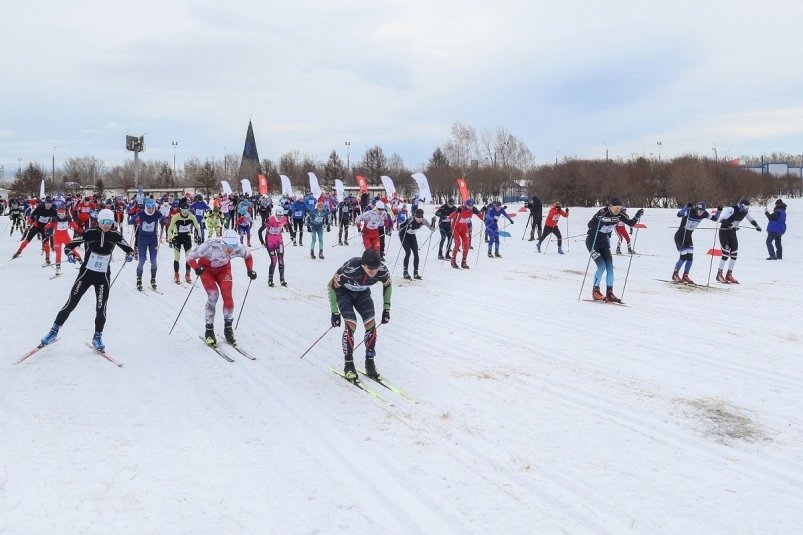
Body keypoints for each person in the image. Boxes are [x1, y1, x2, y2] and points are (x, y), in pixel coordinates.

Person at [39, 209, 135, 351]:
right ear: (99, 221)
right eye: (104, 222)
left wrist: (130, 254)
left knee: (101, 308)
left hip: (102, 277)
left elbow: (129, 248)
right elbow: (70, 245)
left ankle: (97, 337)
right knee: (71, 302)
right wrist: (69, 253)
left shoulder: (115, 235)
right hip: (86, 274)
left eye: (109, 222)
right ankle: (53, 331)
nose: (106, 225)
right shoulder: (90, 232)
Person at [327, 249, 392, 380]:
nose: (373, 271)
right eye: (370, 268)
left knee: (371, 326)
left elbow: (388, 284)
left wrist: (386, 308)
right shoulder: (351, 268)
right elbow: (331, 286)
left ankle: (370, 362)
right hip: (344, 293)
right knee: (351, 325)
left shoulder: (382, 270)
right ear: (363, 265)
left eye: (376, 267)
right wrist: (334, 312)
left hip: (363, 294)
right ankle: (349, 364)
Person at [187, 229, 256, 346]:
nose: (230, 249)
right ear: (222, 243)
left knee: (227, 296)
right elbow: (189, 257)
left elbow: (248, 256)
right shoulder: (210, 245)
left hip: (224, 270)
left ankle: (228, 328)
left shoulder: (237, 247)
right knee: (213, 295)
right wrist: (196, 268)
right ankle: (209, 330)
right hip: (207, 270)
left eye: (233, 246)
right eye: (227, 246)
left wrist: (250, 270)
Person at [585, 197, 643, 302]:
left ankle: (609, 293)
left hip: (604, 242)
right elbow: (589, 225)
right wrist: (598, 218)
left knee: (610, 267)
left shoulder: (620, 214)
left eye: (619, 208)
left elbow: (630, 223)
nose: (617, 210)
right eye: (616, 208)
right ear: (610, 206)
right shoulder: (602, 212)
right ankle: (595, 291)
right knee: (601, 266)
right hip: (592, 242)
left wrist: (637, 216)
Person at [716, 198, 761, 283]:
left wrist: (756, 226)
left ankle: (729, 274)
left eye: (747, 208)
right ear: (740, 205)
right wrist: (731, 225)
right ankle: (719, 274)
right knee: (725, 254)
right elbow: (721, 220)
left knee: (734, 255)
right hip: (724, 232)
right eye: (745, 207)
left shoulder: (745, 212)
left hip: (732, 233)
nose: (746, 210)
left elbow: (751, 219)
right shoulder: (732, 209)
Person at [672, 202, 718, 284]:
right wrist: (686, 207)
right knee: (683, 257)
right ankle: (675, 274)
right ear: (696, 209)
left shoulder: (704, 214)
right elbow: (679, 214)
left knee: (690, 258)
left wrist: (719, 211)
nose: (701, 213)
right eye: (699, 211)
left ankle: (685, 275)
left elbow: (715, 218)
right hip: (680, 236)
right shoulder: (689, 211)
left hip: (688, 237)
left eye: (702, 211)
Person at [166, 200, 202, 284]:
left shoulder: (192, 217)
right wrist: (172, 239)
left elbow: (198, 228)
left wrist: (199, 237)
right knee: (177, 257)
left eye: (186, 210)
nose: (185, 212)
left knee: (188, 257)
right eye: (183, 210)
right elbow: (169, 230)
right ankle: (176, 274)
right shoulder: (176, 217)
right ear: (180, 210)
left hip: (187, 238)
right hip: (177, 238)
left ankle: (187, 274)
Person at [44, 201, 83, 276]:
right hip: (57, 238)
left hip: (66, 238)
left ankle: (82, 263)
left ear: (65, 213)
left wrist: (82, 232)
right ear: (57, 213)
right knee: (58, 253)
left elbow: (75, 226)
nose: (61, 216)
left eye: (63, 214)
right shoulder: (54, 219)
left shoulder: (68, 218)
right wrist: (46, 231)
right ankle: (58, 268)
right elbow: (47, 226)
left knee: (73, 250)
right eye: (59, 214)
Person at [12, 197, 56, 262]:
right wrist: (29, 223)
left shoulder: (53, 211)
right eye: (47, 203)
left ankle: (47, 257)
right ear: (45, 203)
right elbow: (32, 216)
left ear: (52, 204)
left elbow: (57, 219)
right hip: (36, 226)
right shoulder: (40, 208)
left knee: (46, 242)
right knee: (27, 240)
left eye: (50, 204)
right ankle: (19, 251)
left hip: (45, 228)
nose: (48, 205)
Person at [134, 198, 164, 291]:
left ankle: (153, 279)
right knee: (142, 260)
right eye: (149, 208)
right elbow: (133, 220)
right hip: (142, 239)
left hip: (153, 240)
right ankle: (139, 280)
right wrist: (136, 220)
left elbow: (163, 218)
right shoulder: (141, 213)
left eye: (152, 208)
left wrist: (165, 221)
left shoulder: (157, 213)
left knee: (153, 261)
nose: (151, 209)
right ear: (146, 207)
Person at [397, 208, 433, 279]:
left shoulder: (423, 221)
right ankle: (405, 272)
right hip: (403, 235)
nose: (419, 219)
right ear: (415, 216)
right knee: (408, 252)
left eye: (421, 217)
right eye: (418, 217)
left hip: (412, 236)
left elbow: (432, 229)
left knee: (416, 253)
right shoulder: (411, 219)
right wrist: (407, 222)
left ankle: (415, 273)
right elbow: (400, 227)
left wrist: (433, 222)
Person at [447, 199, 482, 269]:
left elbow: (481, 216)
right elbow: (450, 217)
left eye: (472, 206)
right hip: (455, 227)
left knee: (466, 244)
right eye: (469, 206)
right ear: (466, 205)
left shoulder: (473, 209)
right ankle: (453, 261)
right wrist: (457, 211)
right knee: (458, 243)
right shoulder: (461, 208)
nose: (470, 207)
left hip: (464, 228)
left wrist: (484, 211)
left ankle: (464, 262)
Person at [263, 206, 291, 287]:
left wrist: (292, 235)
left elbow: (289, 226)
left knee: (281, 260)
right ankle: (270, 280)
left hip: (279, 240)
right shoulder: (270, 219)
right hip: (270, 240)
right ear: (275, 214)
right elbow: (260, 231)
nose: (280, 217)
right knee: (274, 260)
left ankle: (282, 279)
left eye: (281, 216)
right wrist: (263, 242)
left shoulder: (284, 218)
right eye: (278, 215)